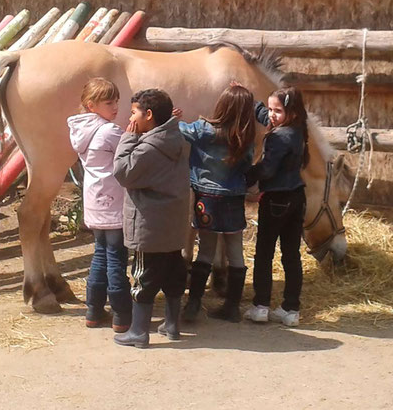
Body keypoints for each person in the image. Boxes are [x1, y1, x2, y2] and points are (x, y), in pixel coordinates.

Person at [112, 89, 190, 348]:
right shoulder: (176, 139)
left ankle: (138, 332)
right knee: (173, 275)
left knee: (143, 278)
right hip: (173, 225)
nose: (130, 117)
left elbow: (123, 173)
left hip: (150, 226)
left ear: (149, 115)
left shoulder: (148, 148)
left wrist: (127, 137)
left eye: (134, 112)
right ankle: (172, 324)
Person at [177, 83, 256, 323]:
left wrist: (173, 119)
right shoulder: (246, 136)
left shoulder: (203, 129)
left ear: (221, 106)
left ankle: (193, 304)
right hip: (233, 198)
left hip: (206, 199)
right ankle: (232, 306)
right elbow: (247, 166)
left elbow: (181, 131)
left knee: (206, 251)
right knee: (235, 253)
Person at [67, 78, 132, 333]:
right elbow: (132, 149)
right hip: (114, 202)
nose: (115, 106)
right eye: (109, 102)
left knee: (100, 254)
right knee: (116, 257)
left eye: (116, 100)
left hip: (94, 202)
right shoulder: (109, 131)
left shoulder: (82, 130)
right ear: (91, 105)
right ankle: (122, 314)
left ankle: (93, 310)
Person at [244, 86, 309, 327]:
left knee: (264, 254)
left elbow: (267, 169)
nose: (271, 115)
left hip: (276, 201)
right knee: (291, 255)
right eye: (270, 109)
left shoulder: (278, 137)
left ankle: (260, 305)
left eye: (277, 110)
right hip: (296, 197)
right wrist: (253, 103)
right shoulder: (298, 130)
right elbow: (268, 117)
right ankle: (291, 309)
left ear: (290, 112)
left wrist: (245, 177)